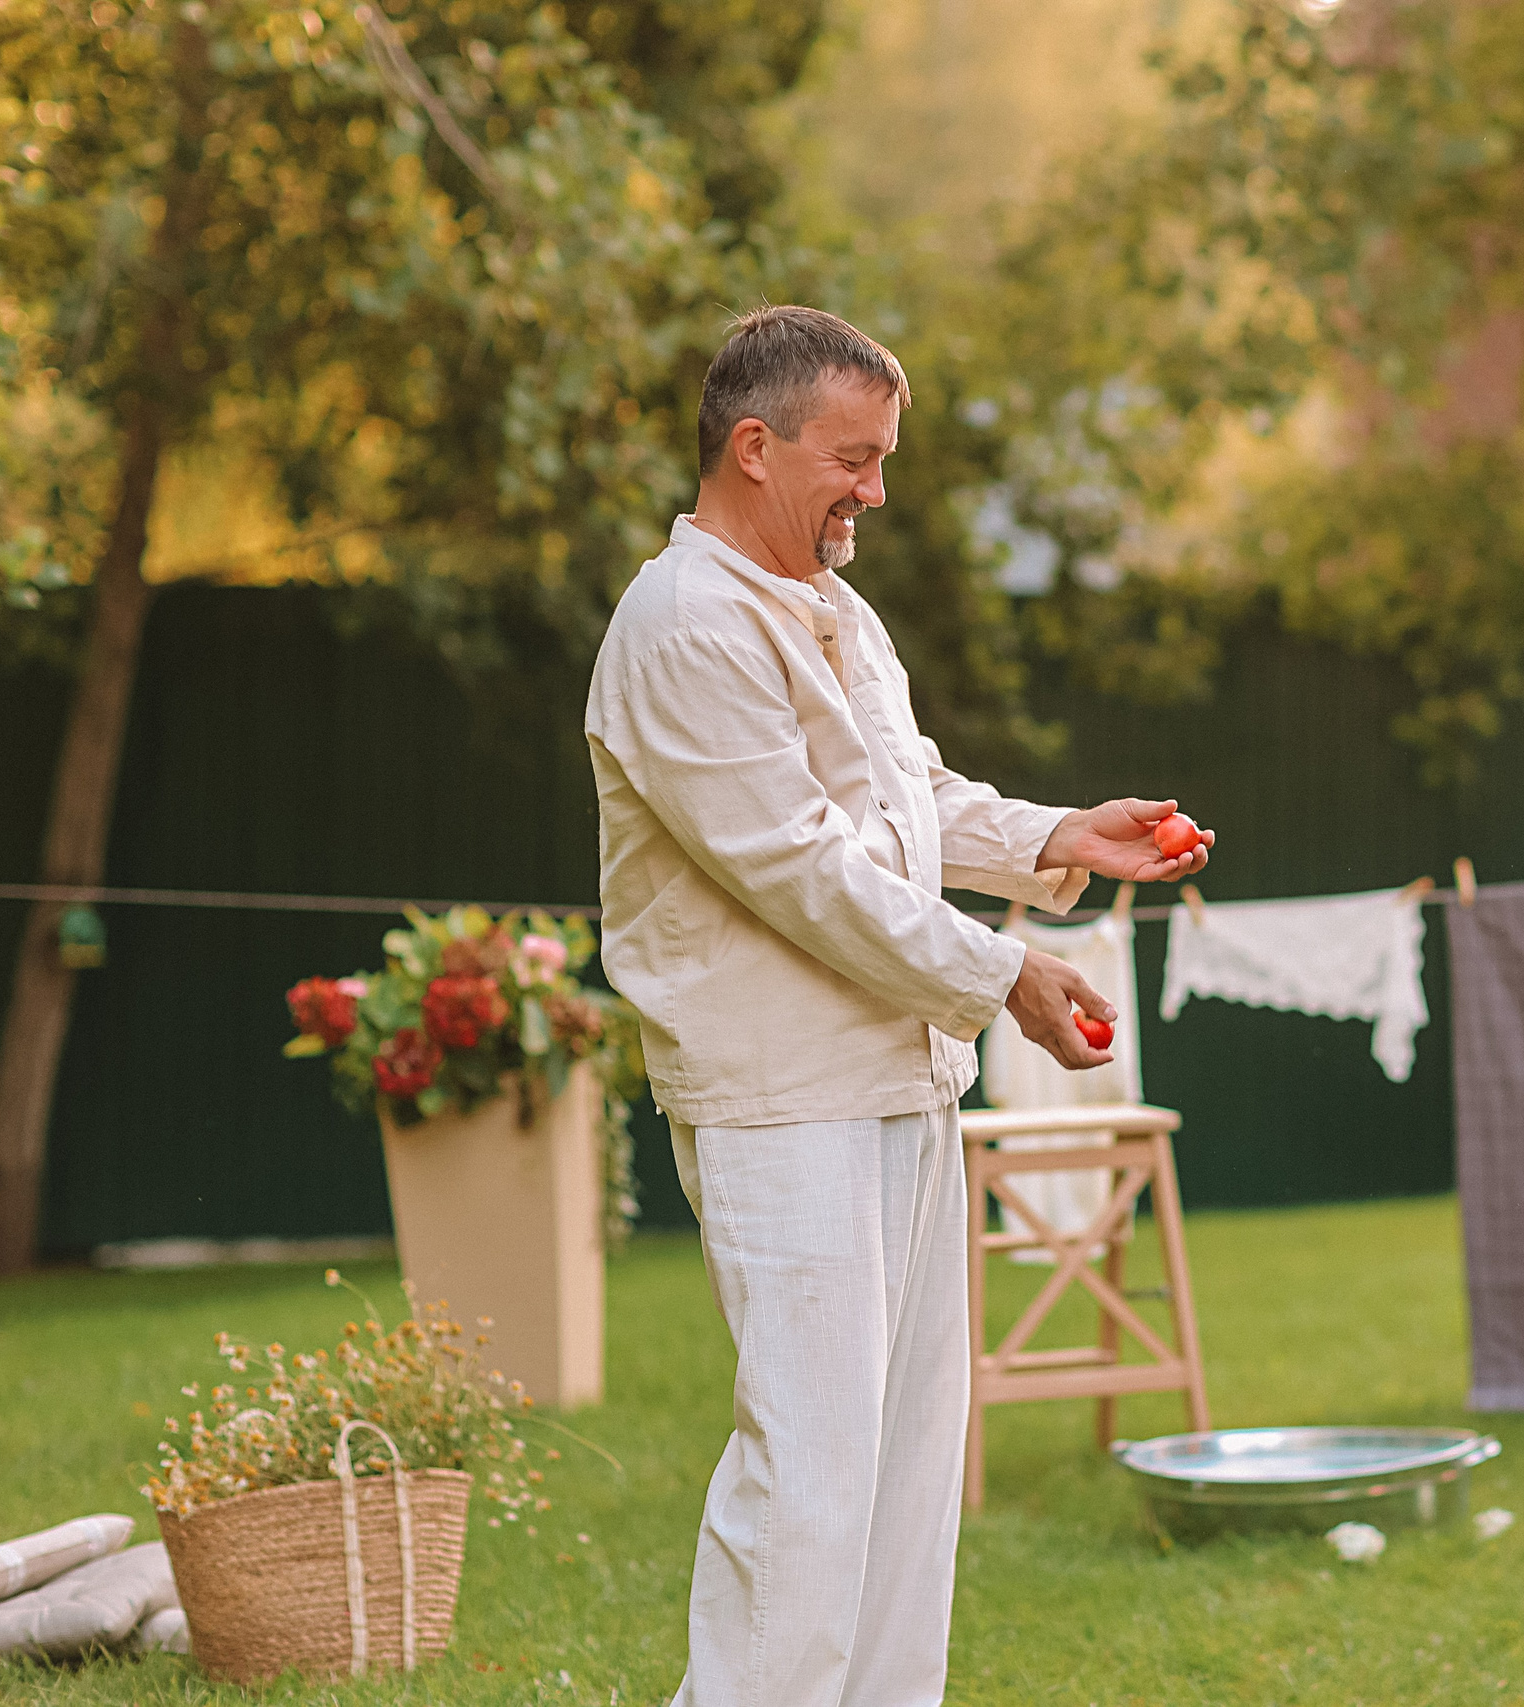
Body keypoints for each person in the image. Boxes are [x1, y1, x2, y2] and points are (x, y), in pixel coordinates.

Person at [583, 305, 1213, 1707]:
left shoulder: (839, 612)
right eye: (854, 459)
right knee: (808, 1477)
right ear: (757, 447)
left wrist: (1060, 835)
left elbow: (908, 798)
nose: (875, 489)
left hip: (904, 1078)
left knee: (904, 1480)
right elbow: (801, 867)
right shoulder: (684, 624)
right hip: (781, 1095)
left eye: (883, 459)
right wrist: (1005, 975)